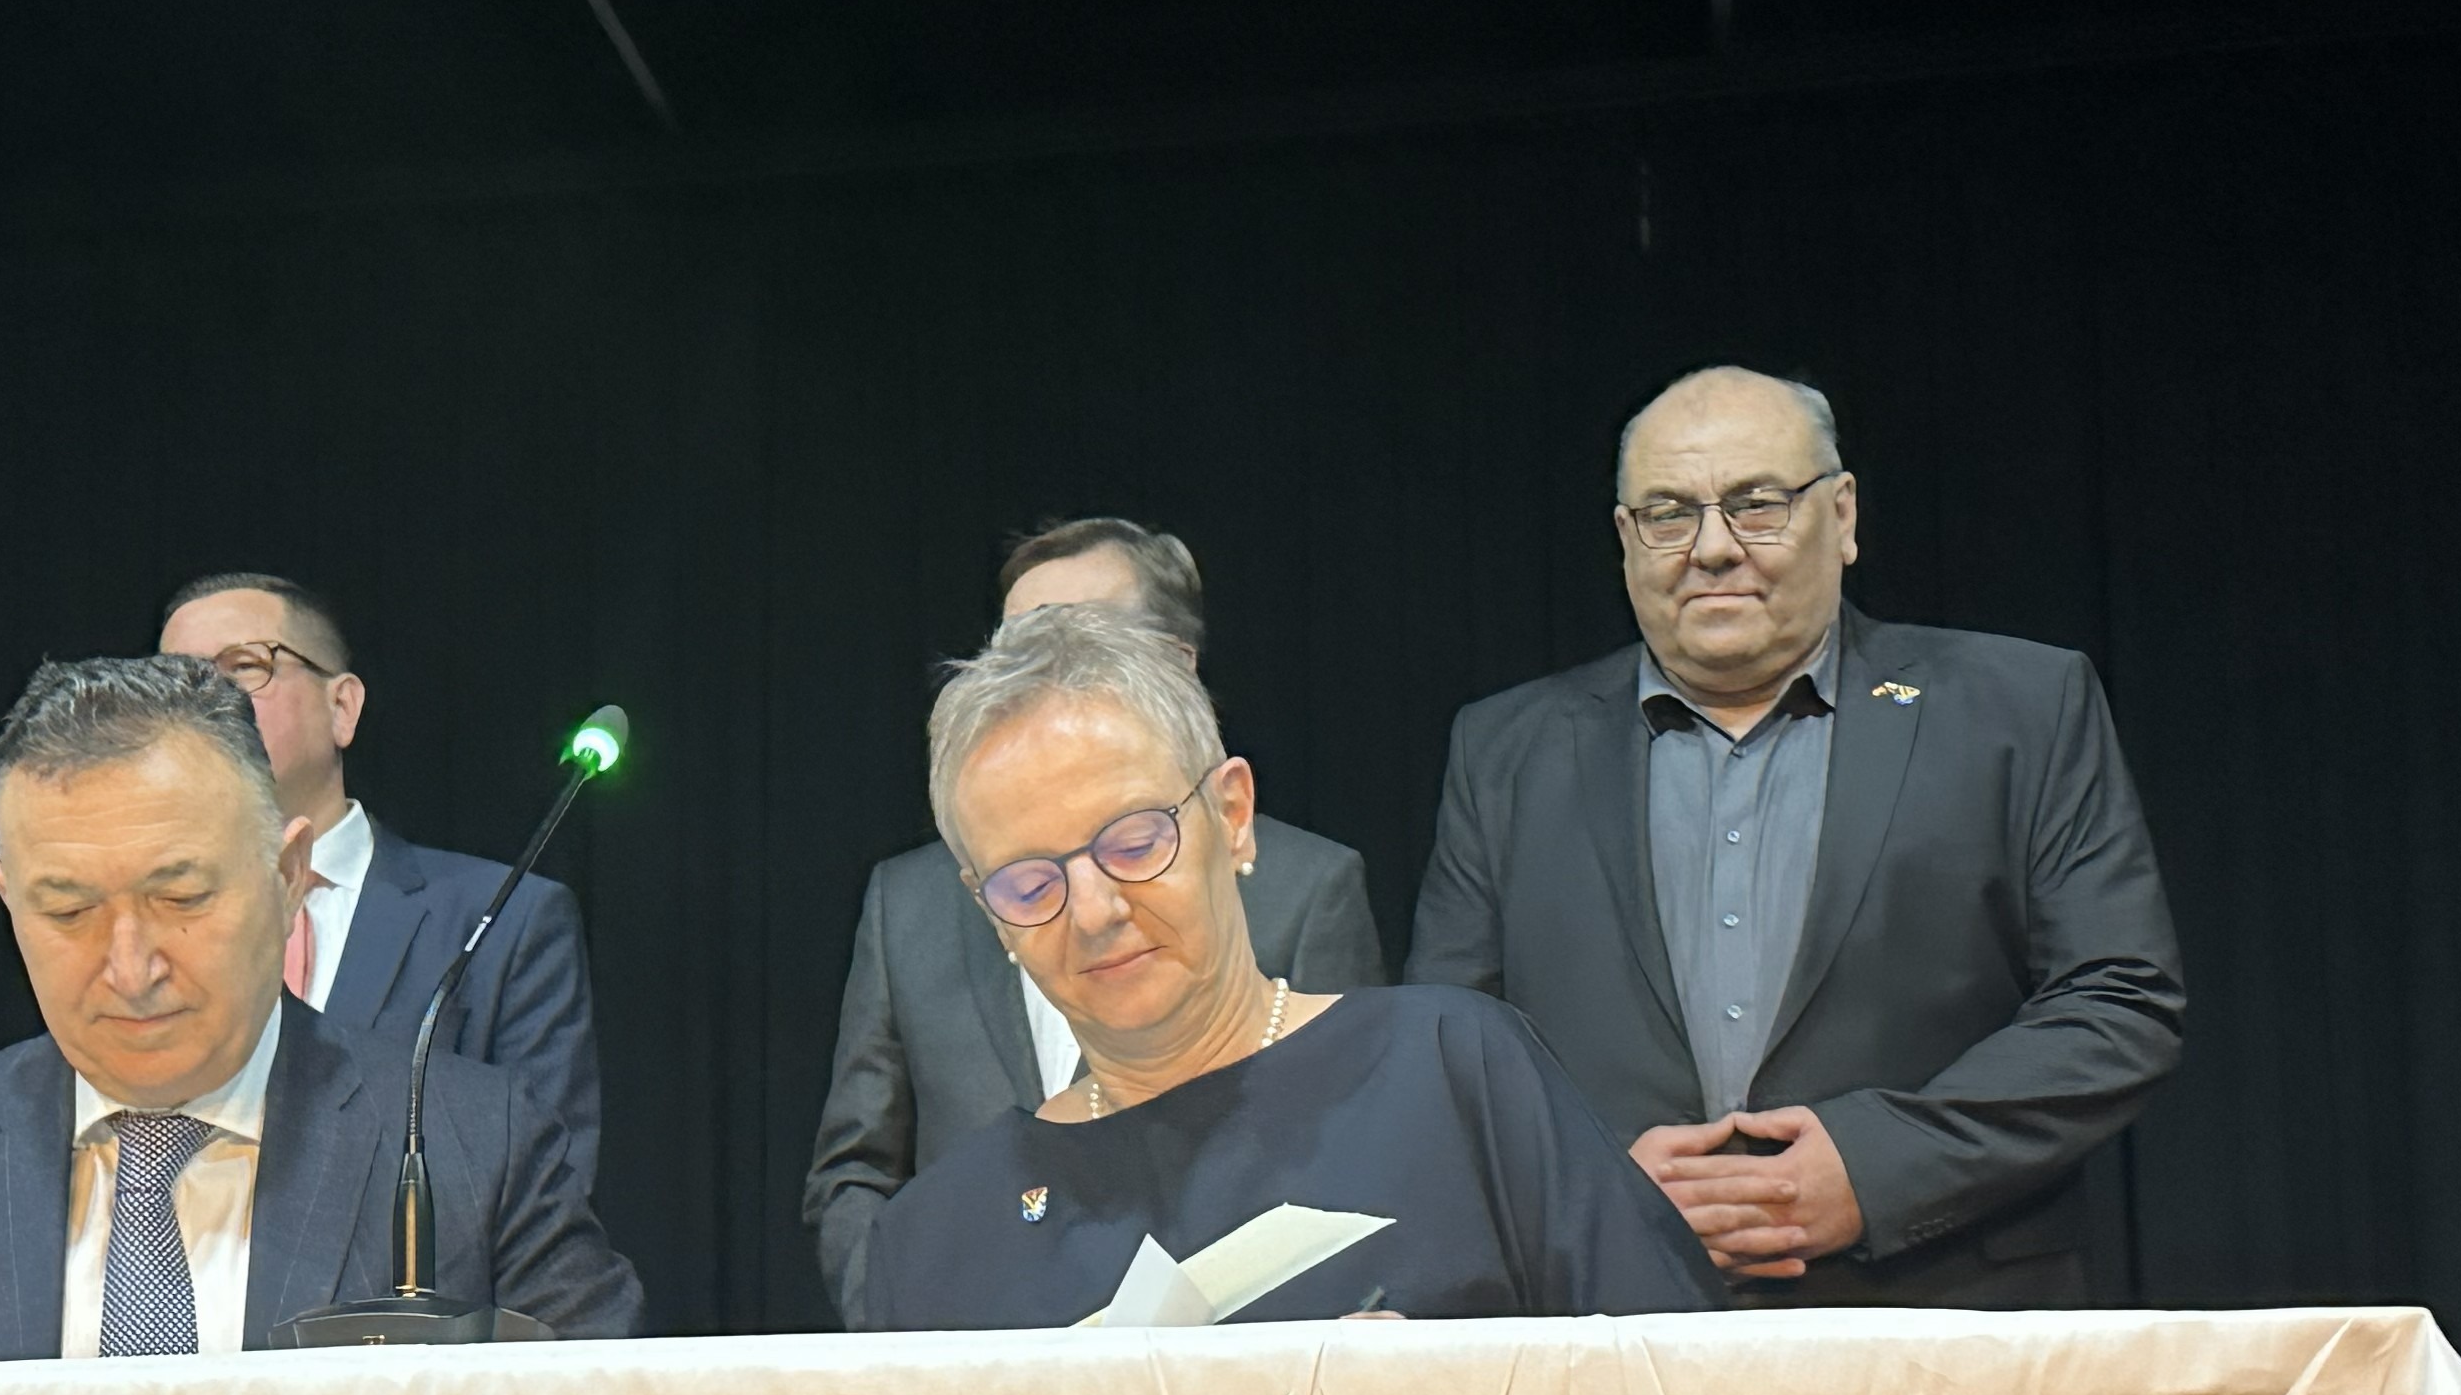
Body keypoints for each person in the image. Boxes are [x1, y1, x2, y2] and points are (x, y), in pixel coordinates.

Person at [1407, 366, 2187, 1305]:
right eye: (1667, 514)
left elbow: (2116, 1001)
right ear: (1624, 539)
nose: (1712, 548)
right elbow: (1447, 1056)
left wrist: (1877, 1165)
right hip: (1611, 1317)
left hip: (1946, 1313)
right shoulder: (1505, 750)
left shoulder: (2019, 708)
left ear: (1842, 515)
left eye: (1756, 504)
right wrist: (1594, 1186)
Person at [0, 655, 637, 1366]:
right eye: (67, 910)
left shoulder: (474, 1149)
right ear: (7, 901)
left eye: (180, 897)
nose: (129, 968)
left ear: (287, 876)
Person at [859, 605, 1718, 1331]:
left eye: (1133, 842)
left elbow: (1687, 1388)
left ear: (1232, 814)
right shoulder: (937, 1242)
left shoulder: (1451, 1075)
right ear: (987, 911)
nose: (1092, 911)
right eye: (1029, 884)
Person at [805, 518, 1384, 1325]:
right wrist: (918, 1336)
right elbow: (857, 1170)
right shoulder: (908, 903)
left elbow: (1354, 1144)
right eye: (1013, 653)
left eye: (1078, 643)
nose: (1092, 908)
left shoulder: (1310, 888)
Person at [159, 573, 600, 1168]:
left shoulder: (504, 918)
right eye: (177, 681)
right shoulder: (126, 924)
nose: (205, 700)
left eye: (243, 667)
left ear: (342, 706)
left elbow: (545, 1178)